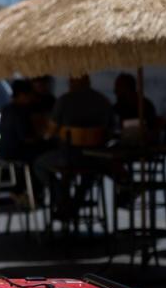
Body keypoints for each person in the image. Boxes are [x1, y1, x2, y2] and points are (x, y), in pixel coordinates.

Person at [32, 75, 113, 217]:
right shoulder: (103, 101)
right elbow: (110, 131)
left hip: (69, 157)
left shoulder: (65, 101)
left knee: (39, 164)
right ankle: (75, 202)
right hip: (97, 157)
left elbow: (49, 133)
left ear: (73, 82)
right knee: (90, 172)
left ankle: (63, 200)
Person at [112, 73, 158, 141]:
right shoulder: (118, 107)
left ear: (127, 88)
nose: (115, 91)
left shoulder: (144, 106)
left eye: (118, 87)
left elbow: (152, 130)